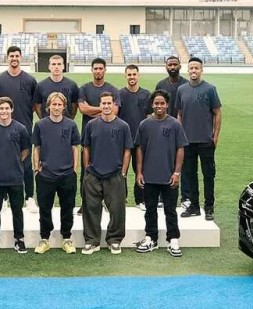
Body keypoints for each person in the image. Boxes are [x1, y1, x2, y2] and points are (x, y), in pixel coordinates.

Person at [134, 90, 187, 257]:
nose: (159, 106)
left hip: (169, 176)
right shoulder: (144, 125)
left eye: (162, 103)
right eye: (156, 103)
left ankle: (173, 240)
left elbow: (180, 148)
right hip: (149, 176)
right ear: (152, 104)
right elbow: (140, 149)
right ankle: (151, 238)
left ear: (167, 104)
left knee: (170, 210)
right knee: (150, 209)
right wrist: (139, 172)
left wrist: (177, 173)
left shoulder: (175, 124)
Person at [81, 92, 132, 255]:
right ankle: (92, 241)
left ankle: (115, 240)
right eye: (103, 103)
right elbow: (86, 147)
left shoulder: (123, 126)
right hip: (94, 174)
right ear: (100, 104)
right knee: (90, 208)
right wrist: (87, 168)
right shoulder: (92, 125)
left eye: (109, 103)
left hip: (115, 174)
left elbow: (127, 150)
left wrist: (123, 171)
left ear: (114, 104)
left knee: (117, 209)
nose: (106, 106)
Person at [31, 92, 81, 254]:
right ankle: (44, 238)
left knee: (68, 207)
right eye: (54, 104)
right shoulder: (40, 125)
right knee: (45, 208)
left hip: (67, 174)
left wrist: (74, 169)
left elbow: (75, 148)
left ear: (64, 107)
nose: (57, 107)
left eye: (59, 105)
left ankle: (66, 238)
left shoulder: (71, 125)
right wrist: (36, 169)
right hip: (46, 174)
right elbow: (36, 148)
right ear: (48, 106)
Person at [0, 97, 31, 254]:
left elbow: (25, 150)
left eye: (6, 108)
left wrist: (15, 161)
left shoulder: (21, 128)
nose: (4, 111)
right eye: (1, 109)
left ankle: (19, 239)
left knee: (17, 210)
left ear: (12, 110)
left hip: (15, 176)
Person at [0, 46, 38, 213]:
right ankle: (4, 199)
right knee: (4, 163)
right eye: (11, 56)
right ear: (7, 58)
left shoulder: (30, 80)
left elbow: (33, 104)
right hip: (3, 129)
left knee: (25, 163)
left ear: (21, 58)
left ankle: (29, 197)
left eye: (17, 56)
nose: (14, 58)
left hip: (24, 127)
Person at [177, 57, 222, 221]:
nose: (194, 71)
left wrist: (215, 137)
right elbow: (179, 114)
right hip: (188, 141)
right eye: (191, 68)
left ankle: (209, 207)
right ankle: (194, 206)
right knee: (190, 175)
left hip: (205, 141)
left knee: (208, 175)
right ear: (187, 70)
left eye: (196, 68)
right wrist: (179, 137)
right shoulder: (182, 90)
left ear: (201, 70)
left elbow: (217, 113)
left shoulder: (210, 89)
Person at [77, 57, 121, 212]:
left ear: (105, 70)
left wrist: (93, 109)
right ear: (92, 70)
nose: (98, 71)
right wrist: (104, 110)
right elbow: (83, 109)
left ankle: (109, 202)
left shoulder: (113, 89)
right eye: (95, 68)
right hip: (89, 138)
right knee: (86, 171)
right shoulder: (84, 88)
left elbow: (115, 111)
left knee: (109, 170)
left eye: (100, 68)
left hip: (109, 139)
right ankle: (86, 203)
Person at [154, 55, 187, 208]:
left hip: (180, 129)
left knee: (182, 164)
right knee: (163, 161)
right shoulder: (160, 84)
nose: (172, 67)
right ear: (165, 66)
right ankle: (161, 196)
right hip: (162, 129)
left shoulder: (186, 85)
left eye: (175, 64)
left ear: (180, 66)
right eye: (170, 64)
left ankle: (185, 197)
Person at [118, 64, 152, 210]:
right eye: (129, 74)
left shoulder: (146, 94)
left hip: (140, 141)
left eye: (134, 74)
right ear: (125, 76)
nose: (132, 77)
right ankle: (121, 199)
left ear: (139, 75)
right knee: (121, 171)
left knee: (141, 170)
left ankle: (141, 200)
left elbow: (150, 117)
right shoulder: (119, 94)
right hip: (123, 140)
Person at [34, 55, 79, 119]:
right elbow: (37, 106)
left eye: (59, 64)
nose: (56, 67)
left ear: (63, 66)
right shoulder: (40, 85)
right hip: (47, 124)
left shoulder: (72, 85)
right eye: (53, 64)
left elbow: (74, 105)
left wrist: (69, 119)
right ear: (49, 67)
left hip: (66, 124)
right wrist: (43, 119)